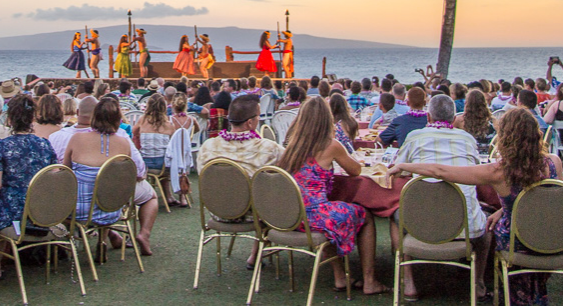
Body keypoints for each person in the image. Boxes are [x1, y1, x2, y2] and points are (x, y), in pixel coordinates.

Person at [391, 108, 563, 306]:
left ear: (505, 137)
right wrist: (503, 209)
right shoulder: (554, 163)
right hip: (554, 240)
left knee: (496, 225)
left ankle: (513, 291)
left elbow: (438, 171)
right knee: (503, 220)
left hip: (520, 241)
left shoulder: (498, 172)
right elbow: (551, 202)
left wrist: (404, 166)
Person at [276, 97, 388, 295]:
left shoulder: (292, 148)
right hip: (314, 217)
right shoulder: (331, 145)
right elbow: (355, 170)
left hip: (290, 215)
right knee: (365, 216)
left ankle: (340, 276)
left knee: (327, 212)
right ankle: (369, 280)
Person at [394, 95, 491, 300]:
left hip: (421, 225)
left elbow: (398, 170)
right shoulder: (467, 139)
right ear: (454, 117)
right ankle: (478, 281)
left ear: (428, 116)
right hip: (466, 228)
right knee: (486, 229)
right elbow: (478, 170)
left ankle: (409, 282)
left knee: (393, 216)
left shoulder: (415, 137)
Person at [0, 95, 56, 279]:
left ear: (9, 119)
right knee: (1, 200)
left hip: (13, 215)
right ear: (33, 118)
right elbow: (53, 178)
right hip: (41, 213)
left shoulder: (3, 146)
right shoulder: (44, 145)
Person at [196, 94, 284, 268]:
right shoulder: (268, 148)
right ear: (251, 123)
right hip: (252, 214)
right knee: (274, 197)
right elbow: (291, 166)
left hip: (217, 210)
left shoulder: (208, 147)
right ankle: (255, 254)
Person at [64, 97, 132, 229]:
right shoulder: (124, 143)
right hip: (112, 210)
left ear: (94, 116)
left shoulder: (77, 138)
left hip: (80, 212)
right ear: (118, 119)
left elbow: (65, 172)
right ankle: (106, 238)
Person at [133, 93, 177, 204]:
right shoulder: (169, 124)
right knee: (165, 155)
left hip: (145, 164)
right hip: (162, 165)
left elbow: (134, 132)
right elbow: (173, 143)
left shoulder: (142, 120)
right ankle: (168, 195)